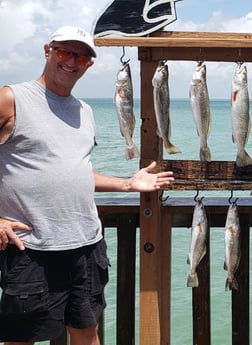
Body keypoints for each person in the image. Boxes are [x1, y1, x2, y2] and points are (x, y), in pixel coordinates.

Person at [0, 26, 174, 344]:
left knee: (87, 331)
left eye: (81, 55)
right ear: (47, 50)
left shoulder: (85, 111)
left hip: (86, 245)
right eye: (64, 51)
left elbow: (73, 171)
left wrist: (128, 184)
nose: (72, 61)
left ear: (90, 64)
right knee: (21, 338)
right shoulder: (12, 99)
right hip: (32, 247)